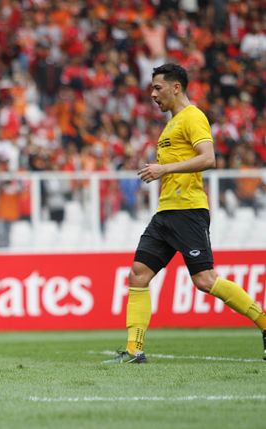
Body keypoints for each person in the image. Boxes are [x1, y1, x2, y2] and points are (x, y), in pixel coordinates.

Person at [106, 64, 266, 364]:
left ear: (176, 87)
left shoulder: (193, 117)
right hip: (166, 211)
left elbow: (209, 158)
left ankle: (264, 322)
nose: (153, 94)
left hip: (188, 210)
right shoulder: (172, 124)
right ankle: (133, 350)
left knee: (204, 280)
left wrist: (163, 168)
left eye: (158, 87)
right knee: (138, 274)